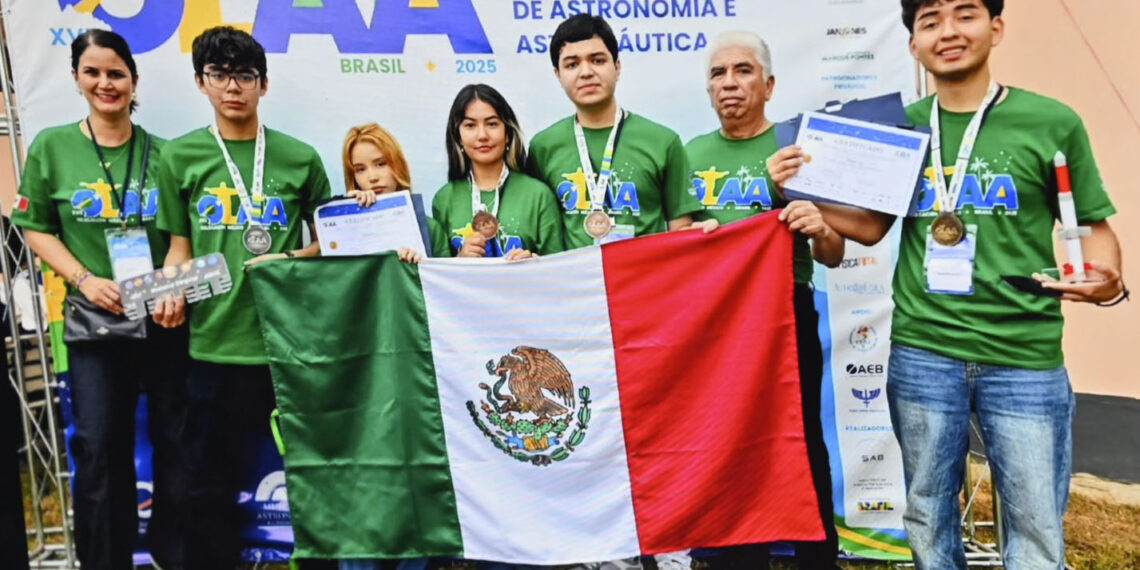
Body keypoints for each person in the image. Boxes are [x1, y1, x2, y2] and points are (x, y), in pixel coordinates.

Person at [768, 1, 1126, 567]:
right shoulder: (901, 128)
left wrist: (1108, 282)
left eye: (966, 14)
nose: (948, 31)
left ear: (996, 28)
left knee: (1034, 518)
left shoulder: (1051, 122)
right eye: (930, 20)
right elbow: (869, 226)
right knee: (928, 512)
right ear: (913, 44)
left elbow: (1092, 229)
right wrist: (799, 188)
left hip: (1024, 357)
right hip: (923, 353)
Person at [151, 26, 332, 570]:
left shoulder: (299, 157)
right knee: (206, 484)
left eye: (245, 76)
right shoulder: (181, 157)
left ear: (264, 85)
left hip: (287, 347)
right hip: (213, 348)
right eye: (220, 75)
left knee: (314, 472)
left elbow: (332, 241)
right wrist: (166, 294)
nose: (234, 87)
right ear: (202, 82)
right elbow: (178, 247)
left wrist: (289, 260)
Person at [9, 29, 188, 570]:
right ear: (76, 78)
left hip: (163, 318)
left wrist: (173, 288)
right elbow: (35, 227)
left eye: (116, 73)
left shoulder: (167, 154)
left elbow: (181, 238)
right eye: (93, 72)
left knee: (177, 444)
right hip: (95, 323)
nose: (105, 83)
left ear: (134, 80)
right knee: (98, 450)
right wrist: (84, 279)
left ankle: (173, 555)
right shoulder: (53, 147)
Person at [685, 31, 845, 570]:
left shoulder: (798, 151)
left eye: (743, 71)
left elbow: (833, 252)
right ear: (708, 90)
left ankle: (818, 561)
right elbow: (675, 244)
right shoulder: (691, 154)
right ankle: (737, 560)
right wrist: (691, 237)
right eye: (718, 74)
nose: (729, 83)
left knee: (800, 444)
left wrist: (818, 225)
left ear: (769, 84)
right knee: (729, 443)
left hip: (785, 314)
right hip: (716, 323)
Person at [527, 13, 715, 255]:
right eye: (572, 64)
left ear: (617, 67)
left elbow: (680, 230)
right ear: (558, 75)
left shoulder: (663, 141)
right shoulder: (543, 146)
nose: (585, 72)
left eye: (597, 60)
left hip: (645, 285)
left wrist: (701, 235)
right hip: (574, 288)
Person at [434, 84, 564, 260]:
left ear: (507, 134)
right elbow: (436, 275)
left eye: (492, 124)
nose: (482, 135)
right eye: (470, 125)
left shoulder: (538, 195)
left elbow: (558, 268)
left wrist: (534, 262)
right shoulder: (444, 200)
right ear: (458, 137)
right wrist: (460, 260)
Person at [341, 122, 450, 262]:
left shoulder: (429, 228)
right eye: (360, 169)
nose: (373, 177)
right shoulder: (345, 229)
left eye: (381, 164)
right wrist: (345, 218)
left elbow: (445, 279)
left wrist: (419, 266)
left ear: (398, 164)